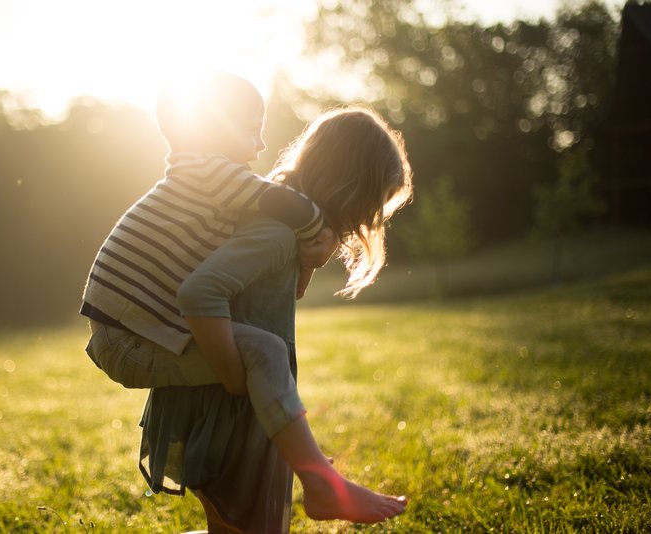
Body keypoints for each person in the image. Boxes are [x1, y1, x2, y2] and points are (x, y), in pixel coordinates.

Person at [139, 106, 414, 532]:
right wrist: (233, 377)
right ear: (348, 187)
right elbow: (200, 292)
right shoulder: (276, 233)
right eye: (373, 202)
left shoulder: (287, 229)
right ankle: (323, 487)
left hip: (245, 401)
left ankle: (320, 483)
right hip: (227, 405)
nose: (369, 218)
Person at [81, 70, 334, 440]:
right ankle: (296, 456)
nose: (262, 144)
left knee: (259, 352)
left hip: (126, 333)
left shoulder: (198, 177)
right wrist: (320, 239)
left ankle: (286, 454)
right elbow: (288, 204)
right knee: (266, 353)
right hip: (129, 340)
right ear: (215, 128)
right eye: (251, 129)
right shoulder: (209, 172)